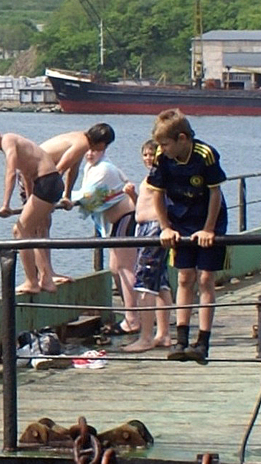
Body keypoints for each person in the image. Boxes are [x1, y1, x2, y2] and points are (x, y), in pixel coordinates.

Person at [145, 109, 227, 364]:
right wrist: (165, 227)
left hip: (206, 217)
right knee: (184, 277)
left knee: (204, 279)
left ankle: (203, 340)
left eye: (166, 144)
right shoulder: (162, 157)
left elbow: (215, 194)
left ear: (182, 139)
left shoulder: (205, 155)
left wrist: (209, 229)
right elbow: (157, 194)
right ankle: (181, 338)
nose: (162, 149)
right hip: (180, 219)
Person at [0, 119, 65, 294]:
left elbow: (11, 172)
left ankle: (31, 282)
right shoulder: (16, 145)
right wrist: (30, 202)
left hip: (48, 182)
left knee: (20, 231)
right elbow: (26, 175)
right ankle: (46, 279)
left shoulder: (8, 140)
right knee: (35, 229)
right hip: (49, 183)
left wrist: (5, 204)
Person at [66, 123, 139, 334]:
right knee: (116, 269)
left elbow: (89, 196)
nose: (89, 154)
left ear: (104, 148)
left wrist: (65, 199)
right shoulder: (93, 166)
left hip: (125, 218)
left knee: (125, 269)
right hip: (115, 223)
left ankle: (133, 318)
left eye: (95, 150)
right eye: (87, 149)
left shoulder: (105, 168)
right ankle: (132, 314)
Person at [125, 138, 174, 352]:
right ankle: (163, 334)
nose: (148, 158)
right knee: (160, 282)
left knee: (145, 282)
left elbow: (165, 203)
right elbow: (144, 205)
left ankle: (145, 337)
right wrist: (132, 195)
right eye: (144, 154)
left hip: (154, 229)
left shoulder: (162, 175)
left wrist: (163, 226)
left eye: (152, 154)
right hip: (146, 227)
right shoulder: (152, 176)